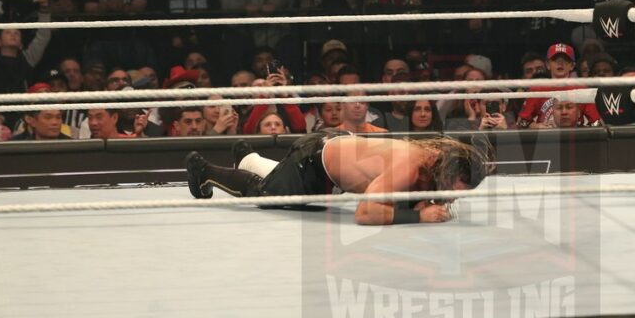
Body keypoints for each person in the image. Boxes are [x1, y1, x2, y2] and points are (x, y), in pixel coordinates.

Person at [184, 133, 490, 225]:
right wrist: (419, 216)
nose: (450, 198)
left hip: (323, 158)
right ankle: (204, 171)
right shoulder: (408, 167)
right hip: (312, 165)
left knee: (280, 181)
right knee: (265, 194)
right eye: (451, 190)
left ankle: (248, 158)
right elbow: (365, 213)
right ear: (445, 172)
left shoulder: (429, 161)